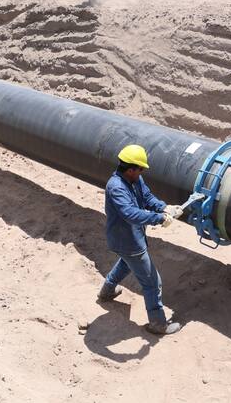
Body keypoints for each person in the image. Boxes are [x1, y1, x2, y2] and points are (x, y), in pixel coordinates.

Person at [98, 144, 183, 335]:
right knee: (152, 282)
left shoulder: (135, 179)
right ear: (130, 169)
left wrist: (164, 208)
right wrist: (159, 219)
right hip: (128, 241)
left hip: (129, 239)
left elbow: (147, 197)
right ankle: (158, 324)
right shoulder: (116, 188)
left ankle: (107, 291)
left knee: (126, 263)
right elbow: (130, 214)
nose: (142, 171)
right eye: (140, 168)